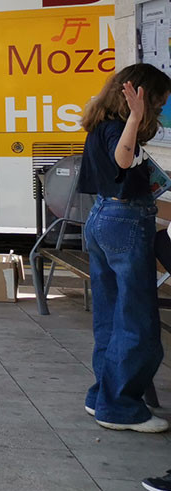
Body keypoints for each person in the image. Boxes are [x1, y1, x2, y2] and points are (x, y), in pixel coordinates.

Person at [77, 63, 170, 433]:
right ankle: (119, 408)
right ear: (139, 97)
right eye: (159, 103)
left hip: (103, 218)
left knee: (110, 316)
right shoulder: (119, 128)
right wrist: (135, 117)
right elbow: (124, 158)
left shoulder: (99, 124)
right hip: (126, 222)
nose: (160, 111)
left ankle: (101, 395)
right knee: (137, 320)